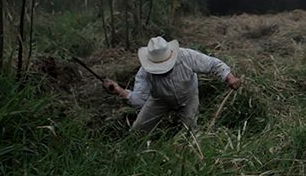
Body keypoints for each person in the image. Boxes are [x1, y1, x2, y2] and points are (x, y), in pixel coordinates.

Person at [103, 36, 242, 131]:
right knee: (138, 129)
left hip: (189, 98)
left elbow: (212, 64)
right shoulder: (144, 73)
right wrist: (120, 90)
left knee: (190, 132)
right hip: (160, 100)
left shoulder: (187, 57)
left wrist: (229, 78)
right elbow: (140, 99)